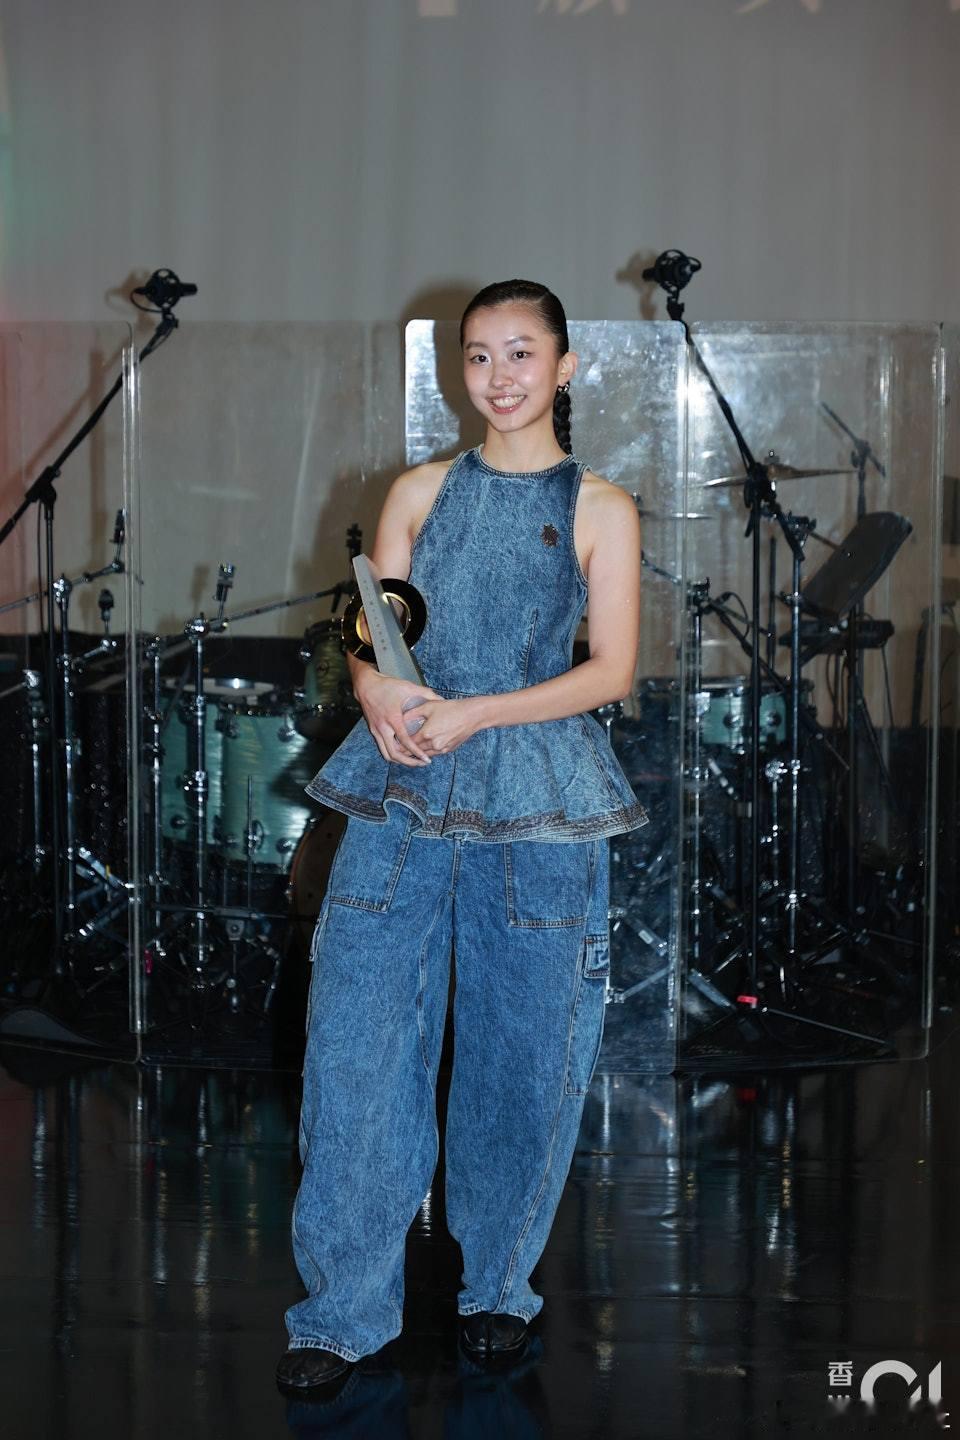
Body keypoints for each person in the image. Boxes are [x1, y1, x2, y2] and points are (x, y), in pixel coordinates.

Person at [276, 279, 648, 1395]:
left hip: (538, 791)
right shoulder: (418, 491)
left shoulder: (602, 508)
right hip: (403, 785)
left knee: (525, 1052)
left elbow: (612, 670)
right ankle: (342, 1313)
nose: (498, 375)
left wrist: (478, 711)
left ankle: (498, 1288)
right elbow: (374, 629)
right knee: (356, 1044)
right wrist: (374, 690)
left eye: (521, 352)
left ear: (566, 366)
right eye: (479, 355)